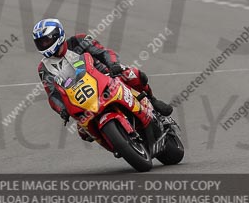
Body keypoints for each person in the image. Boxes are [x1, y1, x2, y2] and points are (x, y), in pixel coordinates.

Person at [33, 18, 173, 139]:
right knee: (84, 133)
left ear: (58, 35)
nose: (43, 45)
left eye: (46, 40)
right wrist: (62, 109)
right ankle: (117, 141)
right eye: (40, 42)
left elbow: (103, 51)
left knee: (132, 74)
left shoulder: (78, 41)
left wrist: (113, 65)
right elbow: (52, 93)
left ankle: (153, 101)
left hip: (105, 77)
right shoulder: (44, 68)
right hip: (81, 98)